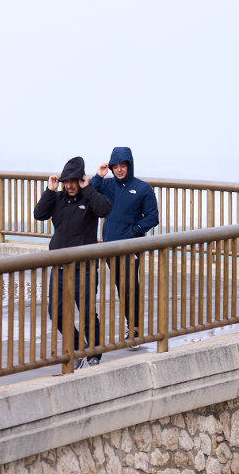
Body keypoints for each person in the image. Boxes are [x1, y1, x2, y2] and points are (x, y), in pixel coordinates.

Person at [33, 156, 112, 368]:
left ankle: (94, 352)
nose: (69, 185)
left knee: (87, 313)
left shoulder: (89, 198)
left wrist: (89, 189)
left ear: (81, 180)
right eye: (66, 181)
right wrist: (49, 191)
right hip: (59, 267)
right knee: (56, 313)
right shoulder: (57, 199)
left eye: (73, 181)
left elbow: (104, 209)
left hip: (84, 268)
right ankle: (77, 346)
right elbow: (39, 214)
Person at [91, 147, 159, 343]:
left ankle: (135, 328)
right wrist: (99, 175)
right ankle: (132, 325)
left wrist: (133, 231)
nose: (119, 170)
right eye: (116, 166)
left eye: (123, 166)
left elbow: (153, 217)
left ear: (129, 165)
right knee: (121, 287)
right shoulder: (108, 184)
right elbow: (91, 193)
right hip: (109, 246)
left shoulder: (142, 188)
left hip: (129, 247)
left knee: (130, 287)